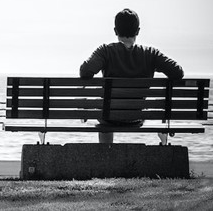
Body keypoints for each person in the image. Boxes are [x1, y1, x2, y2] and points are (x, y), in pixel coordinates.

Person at [79, 8, 184, 144]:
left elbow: (85, 71)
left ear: (115, 31)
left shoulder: (105, 51)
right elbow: (177, 72)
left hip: (109, 116)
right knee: (105, 109)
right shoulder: (151, 53)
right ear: (138, 31)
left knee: (103, 110)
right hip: (137, 116)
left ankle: (106, 151)